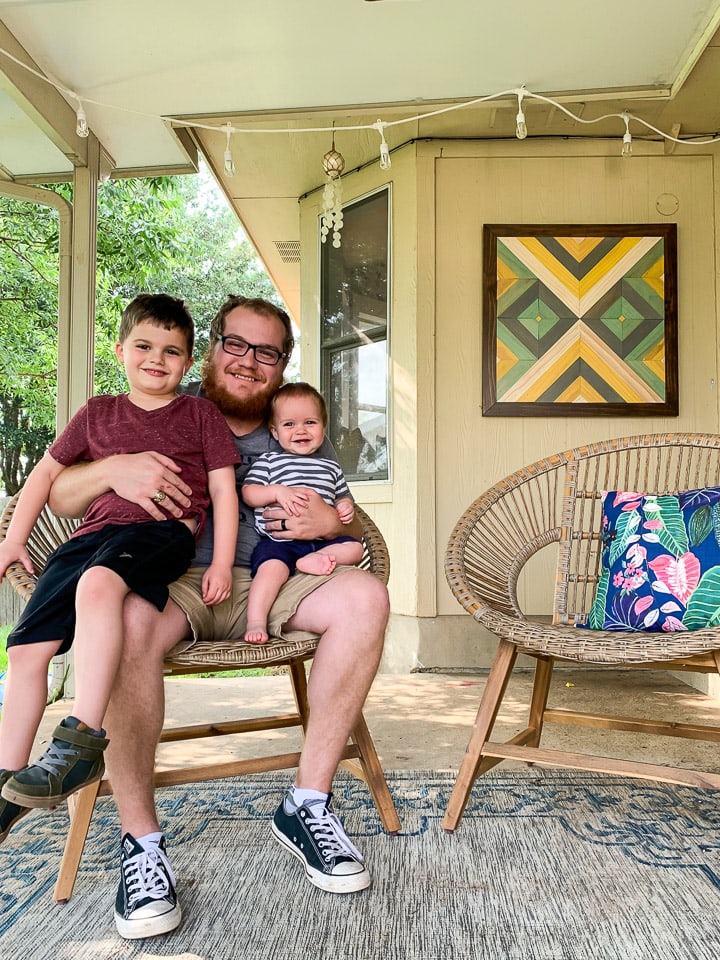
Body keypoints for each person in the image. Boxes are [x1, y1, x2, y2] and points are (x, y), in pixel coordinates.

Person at [45, 295, 390, 940]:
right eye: (237, 344)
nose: (249, 362)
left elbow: (342, 515)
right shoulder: (153, 412)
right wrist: (113, 469)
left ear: (282, 364)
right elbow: (61, 496)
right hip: (173, 581)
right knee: (125, 626)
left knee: (365, 597)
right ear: (211, 348)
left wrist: (328, 522)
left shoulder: (292, 424)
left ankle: (308, 804)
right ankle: (141, 842)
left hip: (277, 578)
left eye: (268, 352)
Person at [0, 294, 239, 840]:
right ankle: (8, 783)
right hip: (90, 537)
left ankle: (81, 739)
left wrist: (221, 560)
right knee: (25, 648)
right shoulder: (97, 413)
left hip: (161, 533)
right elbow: (43, 476)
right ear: (121, 350)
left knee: (101, 583)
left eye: (172, 351)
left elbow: (224, 492)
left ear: (188, 362)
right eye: (144, 346)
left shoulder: (198, 414)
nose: (157, 359)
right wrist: (13, 540)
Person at [242, 382, 364, 644]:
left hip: (321, 543)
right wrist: (276, 492)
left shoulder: (330, 466)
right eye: (289, 424)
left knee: (354, 549)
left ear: (323, 427)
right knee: (269, 570)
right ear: (274, 432)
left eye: (310, 422)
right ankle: (256, 620)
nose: (300, 430)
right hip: (278, 542)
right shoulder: (270, 461)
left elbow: (341, 495)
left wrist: (344, 507)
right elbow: (249, 493)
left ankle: (313, 560)